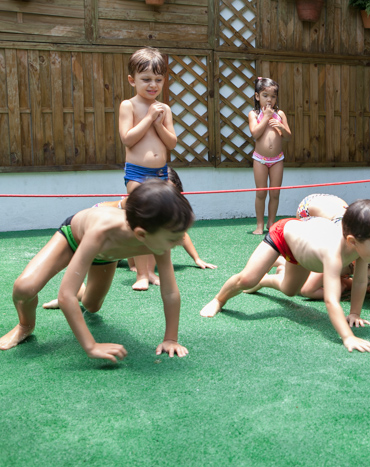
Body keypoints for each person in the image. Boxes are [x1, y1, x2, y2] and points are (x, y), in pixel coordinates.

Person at [0, 179, 194, 362]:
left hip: (105, 256)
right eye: (174, 237)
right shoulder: (101, 232)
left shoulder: (159, 243)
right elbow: (65, 295)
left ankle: (82, 290)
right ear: (141, 234)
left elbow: (169, 292)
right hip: (73, 239)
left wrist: (171, 338)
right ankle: (25, 325)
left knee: (92, 306)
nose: (180, 241)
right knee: (24, 288)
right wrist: (91, 346)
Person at [199, 199, 370, 352]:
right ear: (352, 241)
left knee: (289, 290)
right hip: (283, 235)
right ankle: (219, 299)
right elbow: (331, 301)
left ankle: (265, 280)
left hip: (302, 255)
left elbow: (360, 282)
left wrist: (354, 314)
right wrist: (348, 337)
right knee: (247, 279)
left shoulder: (360, 250)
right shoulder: (333, 253)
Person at [119, 47, 177, 291]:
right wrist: (148, 118)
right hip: (137, 174)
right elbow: (128, 139)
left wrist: (158, 122)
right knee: (142, 221)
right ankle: (141, 274)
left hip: (161, 173)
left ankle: (153, 272)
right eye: (146, 80)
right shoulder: (128, 106)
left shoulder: (164, 109)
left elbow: (171, 142)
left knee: (160, 222)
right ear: (132, 80)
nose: (153, 85)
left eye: (158, 79)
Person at [90, 167, 216, 272]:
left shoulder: (166, 204)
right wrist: (133, 266)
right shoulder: (142, 202)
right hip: (98, 215)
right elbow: (130, 228)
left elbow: (181, 233)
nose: (167, 196)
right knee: (106, 255)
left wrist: (197, 259)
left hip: (113, 227)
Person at [296, 193, 370, 304]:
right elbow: (307, 289)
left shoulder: (367, 245)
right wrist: (340, 289)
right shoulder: (342, 249)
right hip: (308, 210)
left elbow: (366, 283)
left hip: (333, 206)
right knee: (312, 259)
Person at [272, 251, 370, 309]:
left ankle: (283, 266)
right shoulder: (340, 262)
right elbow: (307, 290)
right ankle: (282, 265)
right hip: (307, 258)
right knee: (297, 287)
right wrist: (337, 291)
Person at [249, 77, 291, 235]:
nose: (269, 100)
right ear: (257, 96)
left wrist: (281, 125)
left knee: (275, 192)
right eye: (265, 95)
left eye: (273, 96)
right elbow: (255, 134)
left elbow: (288, 136)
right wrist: (266, 117)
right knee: (261, 192)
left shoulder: (280, 114)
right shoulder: (254, 114)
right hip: (260, 159)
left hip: (277, 159)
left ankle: (271, 223)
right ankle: (259, 224)